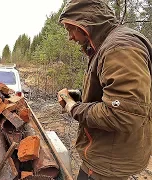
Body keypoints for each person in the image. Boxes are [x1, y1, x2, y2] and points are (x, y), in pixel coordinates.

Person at [57, 0, 152, 179]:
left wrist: (73, 107)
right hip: (105, 154)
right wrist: (79, 95)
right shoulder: (107, 45)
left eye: (71, 29)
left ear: (85, 24)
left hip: (108, 163)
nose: (70, 37)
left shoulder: (119, 48)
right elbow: (116, 96)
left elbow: (123, 113)